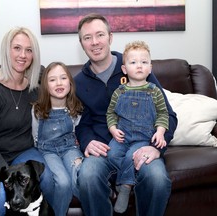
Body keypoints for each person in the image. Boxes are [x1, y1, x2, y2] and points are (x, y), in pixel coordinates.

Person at [74, 13, 177, 216]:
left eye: (100, 35)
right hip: (105, 151)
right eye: (87, 38)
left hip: (142, 145)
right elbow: (81, 124)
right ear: (81, 43)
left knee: (157, 179)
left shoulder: (135, 65)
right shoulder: (79, 82)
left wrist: (157, 147)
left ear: (110, 37)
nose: (94, 42)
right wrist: (87, 142)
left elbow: (168, 115)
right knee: (87, 175)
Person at [0, 27, 56, 216]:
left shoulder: (35, 87)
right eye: (17, 48)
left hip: (23, 152)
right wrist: (7, 173)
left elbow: (58, 106)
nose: (23, 55)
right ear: (6, 51)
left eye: (29, 50)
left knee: (48, 180)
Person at [106, 40, 169, 213]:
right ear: (125, 69)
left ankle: (125, 186)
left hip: (143, 138)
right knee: (111, 155)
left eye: (144, 62)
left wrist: (161, 132)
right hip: (122, 136)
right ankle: (128, 177)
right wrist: (113, 129)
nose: (139, 66)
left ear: (150, 67)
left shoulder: (154, 91)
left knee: (131, 157)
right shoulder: (119, 91)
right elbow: (110, 114)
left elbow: (164, 114)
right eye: (133, 62)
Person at [32, 61, 84, 215]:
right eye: (52, 80)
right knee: (63, 182)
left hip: (70, 148)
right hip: (48, 151)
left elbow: (77, 132)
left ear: (70, 82)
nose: (59, 83)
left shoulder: (75, 108)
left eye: (63, 78)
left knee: (79, 176)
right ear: (45, 86)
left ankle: (97, 199)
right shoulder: (37, 110)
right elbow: (35, 136)